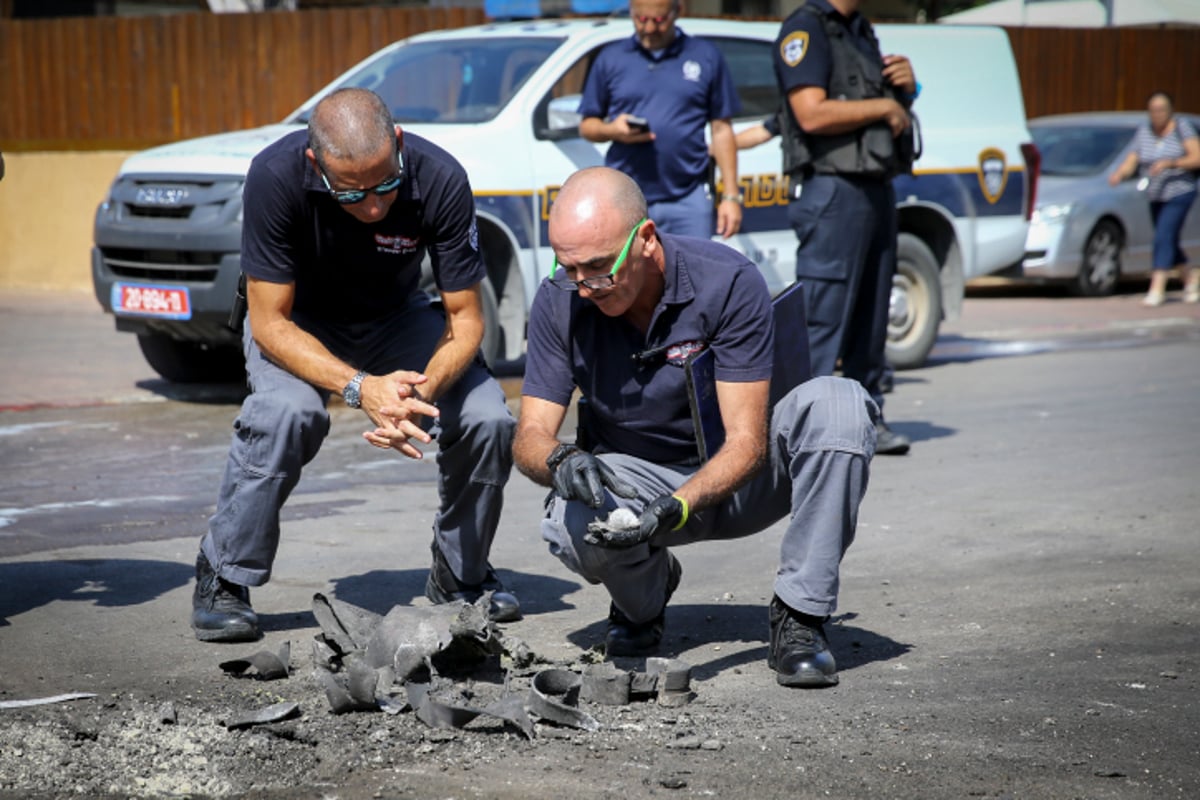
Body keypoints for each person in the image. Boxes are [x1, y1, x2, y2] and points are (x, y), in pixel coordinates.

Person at [513, 166, 877, 687]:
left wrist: (677, 506)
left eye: (597, 268)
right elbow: (528, 435)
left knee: (839, 404)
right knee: (566, 521)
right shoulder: (561, 298)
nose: (583, 287)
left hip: (744, 480)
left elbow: (748, 444)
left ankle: (801, 617)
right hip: (640, 484)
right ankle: (643, 602)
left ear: (645, 240)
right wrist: (559, 459)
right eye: (567, 267)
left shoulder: (725, 280)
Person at [191, 88, 519, 642]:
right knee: (286, 414)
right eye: (351, 193)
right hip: (300, 320)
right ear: (315, 164)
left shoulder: (441, 178)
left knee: (489, 417)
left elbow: (466, 320)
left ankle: (459, 573)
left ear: (399, 143)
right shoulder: (274, 176)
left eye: (386, 184)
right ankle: (223, 573)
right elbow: (270, 323)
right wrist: (361, 388)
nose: (372, 207)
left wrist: (420, 391)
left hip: (397, 316)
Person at [772, 0, 918, 455]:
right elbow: (810, 113)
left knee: (871, 317)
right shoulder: (805, 28)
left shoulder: (860, 30)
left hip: (875, 185)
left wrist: (906, 92)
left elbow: (883, 102)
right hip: (832, 189)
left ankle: (865, 420)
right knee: (823, 318)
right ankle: (805, 429)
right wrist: (885, 109)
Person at [577, 0, 743, 240]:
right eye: (641, 19)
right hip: (626, 199)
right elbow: (587, 125)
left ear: (678, 11)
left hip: (688, 196)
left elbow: (721, 129)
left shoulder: (705, 55)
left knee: (691, 274)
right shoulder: (611, 58)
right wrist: (613, 130)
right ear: (631, 12)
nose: (649, 29)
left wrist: (730, 196)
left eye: (659, 20)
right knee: (630, 276)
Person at [1107, 91, 1200, 306]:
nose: (1157, 115)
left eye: (1161, 110)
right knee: (1168, 238)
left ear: (1170, 111)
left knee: (1162, 236)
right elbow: (1133, 158)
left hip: (1179, 191)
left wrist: (1171, 163)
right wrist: (1120, 174)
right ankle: (1190, 279)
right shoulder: (1145, 132)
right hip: (1156, 193)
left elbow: (1196, 157)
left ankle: (1157, 289)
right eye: (1153, 111)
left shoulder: (1181, 128)